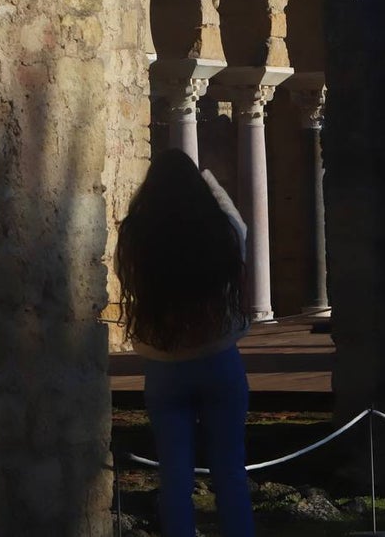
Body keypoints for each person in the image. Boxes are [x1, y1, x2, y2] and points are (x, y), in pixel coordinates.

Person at [115, 148, 255, 536]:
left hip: (165, 363)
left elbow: (128, 275)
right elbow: (240, 226)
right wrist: (207, 177)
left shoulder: (137, 237)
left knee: (174, 475)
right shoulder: (220, 233)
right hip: (217, 357)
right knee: (230, 470)